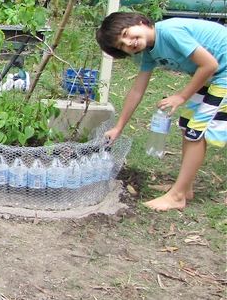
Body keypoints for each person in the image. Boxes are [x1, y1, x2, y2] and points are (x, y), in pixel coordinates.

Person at [96, 12, 227, 211]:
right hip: (214, 76)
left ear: (140, 22)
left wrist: (182, 96)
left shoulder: (169, 32)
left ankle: (177, 196)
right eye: (121, 45)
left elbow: (209, 64)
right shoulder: (149, 52)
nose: (128, 43)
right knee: (187, 126)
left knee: (196, 130)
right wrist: (119, 127)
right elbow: (137, 90)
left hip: (221, 74)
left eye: (126, 33)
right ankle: (185, 187)